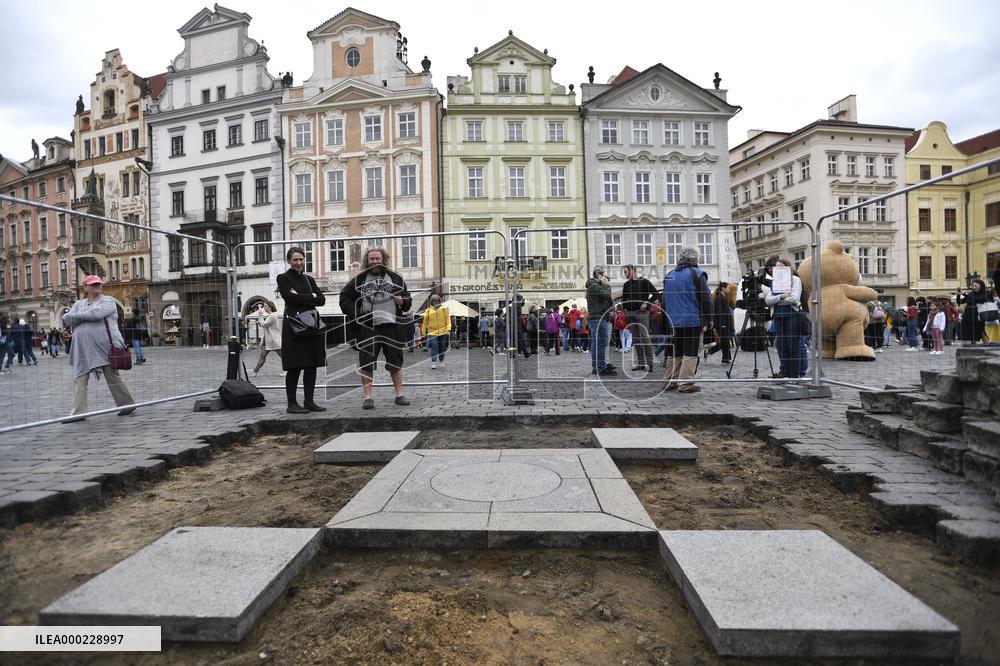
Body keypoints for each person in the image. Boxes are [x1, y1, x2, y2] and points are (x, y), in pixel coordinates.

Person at [339, 247, 412, 410]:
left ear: (383, 259)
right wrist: (357, 313)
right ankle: (368, 398)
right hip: (368, 327)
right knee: (366, 363)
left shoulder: (396, 278)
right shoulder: (359, 280)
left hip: (392, 326)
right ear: (367, 261)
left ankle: (399, 395)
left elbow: (407, 300)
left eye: (377, 258)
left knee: (396, 362)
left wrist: (403, 301)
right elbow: (344, 298)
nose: (375, 262)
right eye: (371, 259)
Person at [61, 275, 136, 420]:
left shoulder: (108, 301)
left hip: (104, 347)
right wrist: (77, 316)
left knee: (112, 376)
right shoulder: (79, 304)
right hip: (81, 348)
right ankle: (78, 413)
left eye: (99, 284)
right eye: (93, 285)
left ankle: (126, 404)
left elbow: (97, 314)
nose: (97, 287)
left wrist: (76, 317)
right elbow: (66, 319)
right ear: (85, 288)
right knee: (79, 379)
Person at [278, 247, 329, 414]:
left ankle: (309, 401)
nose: (299, 263)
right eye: (295, 260)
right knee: (295, 366)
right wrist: (311, 297)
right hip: (294, 326)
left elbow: (322, 300)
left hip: (312, 325)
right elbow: (289, 298)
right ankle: (291, 404)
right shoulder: (283, 278)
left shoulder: (309, 279)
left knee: (311, 365)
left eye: (301, 259)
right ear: (289, 261)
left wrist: (306, 297)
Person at [662, 247, 712, 392]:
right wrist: (709, 319)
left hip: (673, 321)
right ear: (695, 259)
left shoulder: (669, 275)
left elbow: (664, 301)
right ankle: (685, 384)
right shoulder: (696, 273)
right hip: (692, 321)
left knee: (674, 352)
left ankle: (669, 381)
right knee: (690, 352)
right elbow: (706, 299)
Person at [761, 259, 805, 379]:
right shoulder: (775, 282)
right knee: (781, 345)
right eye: (777, 268)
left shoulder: (795, 280)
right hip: (778, 317)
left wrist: (777, 301)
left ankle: (794, 375)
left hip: (792, 316)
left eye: (781, 267)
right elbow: (768, 300)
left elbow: (794, 299)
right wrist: (781, 296)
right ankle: (785, 371)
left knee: (793, 345)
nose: (778, 270)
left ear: (788, 268)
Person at [621, 265, 659, 372]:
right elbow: (624, 299)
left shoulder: (645, 282)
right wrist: (625, 311)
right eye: (624, 272)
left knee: (645, 338)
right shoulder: (626, 284)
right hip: (630, 314)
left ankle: (650, 364)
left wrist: (647, 303)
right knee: (636, 339)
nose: (625, 274)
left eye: (626, 272)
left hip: (642, 313)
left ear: (632, 271)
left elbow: (656, 294)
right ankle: (641, 363)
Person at [585, 267, 615, 376]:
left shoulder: (593, 286)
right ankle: (601, 368)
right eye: (603, 275)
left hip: (596, 318)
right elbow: (607, 296)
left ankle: (596, 367)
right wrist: (606, 285)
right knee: (601, 344)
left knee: (596, 344)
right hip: (598, 318)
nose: (605, 278)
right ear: (599, 275)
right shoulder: (594, 286)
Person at [706, 282, 735, 363]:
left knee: (725, 342)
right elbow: (718, 312)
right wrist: (722, 324)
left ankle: (725, 358)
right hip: (722, 324)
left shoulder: (723, 297)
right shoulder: (719, 298)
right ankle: (725, 358)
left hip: (726, 323)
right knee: (725, 342)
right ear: (723, 288)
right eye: (728, 288)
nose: (729, 289)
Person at [252, 303, 282, 377]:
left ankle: (288, 370)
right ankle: (255, 371)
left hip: (274, 340)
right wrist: (260, 321)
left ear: (270, 307)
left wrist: (261, 315)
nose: (264, 308)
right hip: (269, 340)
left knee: (283, 356)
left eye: (265, 306)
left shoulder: (272, 316)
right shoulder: (270, 316)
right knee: (263, 355)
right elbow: (264, 324)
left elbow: (263, 324)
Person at [422, 295, 450, 369]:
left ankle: (441, 361)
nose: (436, 302)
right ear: (432, 302)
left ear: (440, 301)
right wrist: (423, 332)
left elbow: (448, 320)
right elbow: (425, 322)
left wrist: (448, 329)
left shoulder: (444, 309)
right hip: (432, 332)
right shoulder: (428, 310)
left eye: (438, 300)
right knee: (434, 346)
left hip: (443, 331)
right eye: (434, 301)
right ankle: (433, 362)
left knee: (442, 347)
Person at [956, 280, 989, 344]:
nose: (974, 287)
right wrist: (958, 295)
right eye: (973, 286)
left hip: (978, 316)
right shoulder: (970, 293)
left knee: (981, 331)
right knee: (968, 331)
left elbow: (978, 299)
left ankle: (987, 345)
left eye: (976, 285)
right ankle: (971, 346)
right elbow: (959, 302)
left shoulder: (985, 293)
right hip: (968, 315)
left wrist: (964, 294)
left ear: (981, 286)